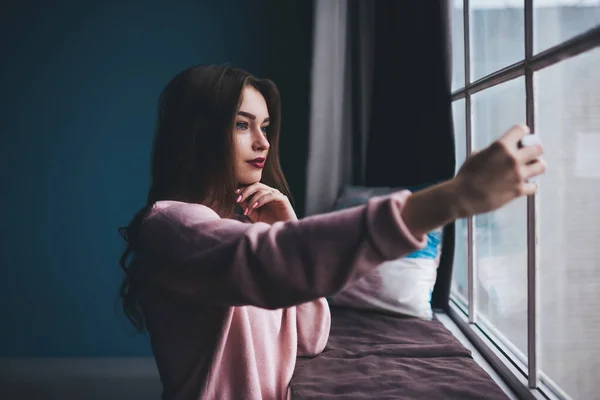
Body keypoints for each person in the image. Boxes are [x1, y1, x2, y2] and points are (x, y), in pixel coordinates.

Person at [118, 64, 546, 400]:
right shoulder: (171, 227)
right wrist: (451, 199)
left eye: (265, 127)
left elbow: (310, 337)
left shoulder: (240, 225)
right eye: (242, 124)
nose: (263, 143)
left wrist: (287, 226)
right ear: (199, 134)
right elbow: (264, 262)